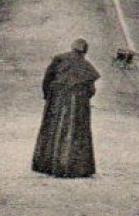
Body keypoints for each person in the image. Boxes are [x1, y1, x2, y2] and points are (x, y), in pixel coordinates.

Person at [31, 38, 99, 178]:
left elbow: (47, 80)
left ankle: (48, 165)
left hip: (57, 100)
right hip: (78, 104)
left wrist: (48, 97)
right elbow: (91, 90)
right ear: (84, 52)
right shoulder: (86, 66)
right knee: (76, 133)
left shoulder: (59, 60)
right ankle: (74, 167)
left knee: (52, 130)